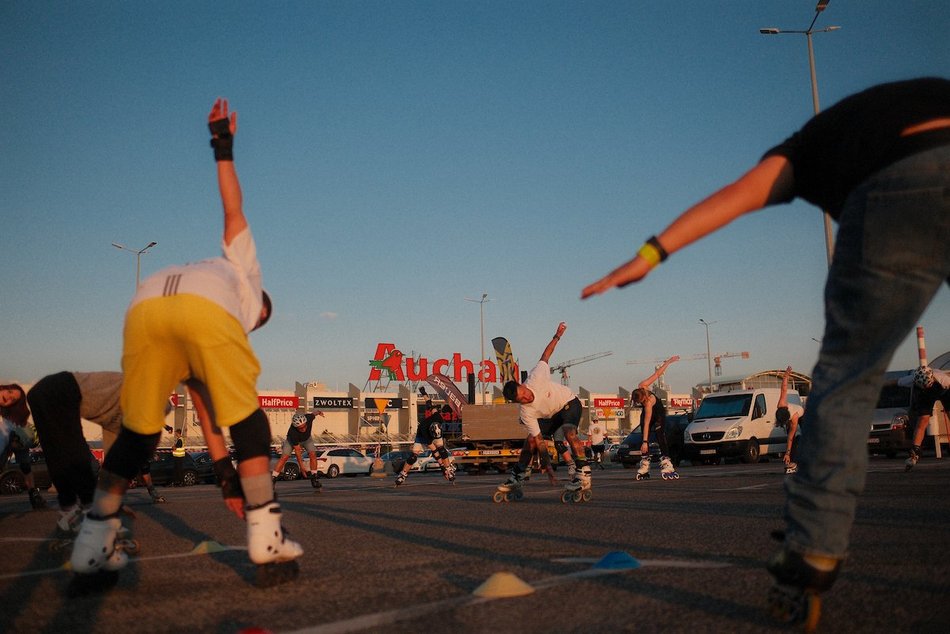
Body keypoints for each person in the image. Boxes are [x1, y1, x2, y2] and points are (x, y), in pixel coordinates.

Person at [582, 78, 950, 622]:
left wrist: (649, 254)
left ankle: (814, 550)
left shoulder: (800, 150)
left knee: (848, 380)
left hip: (896, 186)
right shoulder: (915, 95)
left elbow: (733, 199)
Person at [70, 98, 302, 582]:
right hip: (204, 310)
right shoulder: (247, 279)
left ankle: (92, 543)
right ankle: (267, 539)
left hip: (146, 304)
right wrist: (226, 150)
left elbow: (202, 402)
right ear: (262, 309)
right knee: (251, 420)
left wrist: (223, 474)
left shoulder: (210, 272)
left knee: (137, 433)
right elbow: (233, 211)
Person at [497, 322, 591, 501]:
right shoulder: (525, 411)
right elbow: (540, 442)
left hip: (568, 402)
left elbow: (546, 354)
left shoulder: (536, 377)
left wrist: (557, 335)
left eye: (523, 393)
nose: (525, 398)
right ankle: (517, 476)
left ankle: (584, 473)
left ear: (521, 385)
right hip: (551, 415)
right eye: (520, 400)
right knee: (530, 440)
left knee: (568, 431)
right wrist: (548, 468)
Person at [630, 356, 680, 481]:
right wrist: (668, 362)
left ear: (643, 398)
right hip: (647, 414)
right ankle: (645, 462)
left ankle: (666, 461)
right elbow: (657, 373)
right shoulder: (641, 386)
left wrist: (646, 443)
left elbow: (648, 423)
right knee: (643, 435)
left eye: (639, 402)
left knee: (659, 434)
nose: (638, 404)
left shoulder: (648, 402)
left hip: (658, 414)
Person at [394, 388, 456, 486]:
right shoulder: (423, 428)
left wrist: (424, 394)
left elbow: (431, 406)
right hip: (422, 436)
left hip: (434, 434)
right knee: (413, 457)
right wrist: (441, 466)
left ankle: (449, 468)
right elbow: (434, 451)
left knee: (442, 450)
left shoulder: (438, 418)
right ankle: (403, 474)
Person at [1, 383, 47, 510]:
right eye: (9, 392)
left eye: (14, 398)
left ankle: (33, 494)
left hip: (16, 434)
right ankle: (34, 494)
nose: (9, 398)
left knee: (25, 465)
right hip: (8, 435)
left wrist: (19, 439)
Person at [899, 365, 950, 471]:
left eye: (928, 384)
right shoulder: (911, 379)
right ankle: (915, 450)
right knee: (923, 420)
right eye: (924, 385)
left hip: (944, 390)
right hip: (925, 395)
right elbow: (894, 382)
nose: (927, 386)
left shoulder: (943, 379)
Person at [271, 410, 325, 488]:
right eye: (300, 428)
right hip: (292, 441)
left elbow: (314, 413)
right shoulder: (293, 432)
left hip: (306, 439)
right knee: (284, 457)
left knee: (313, 454)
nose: (303, 429)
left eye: (304, 426)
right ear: (296, 427)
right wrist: (302, 467)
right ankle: (273, 479)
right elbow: (298, 451)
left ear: (306, 422)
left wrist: (319, 412)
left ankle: (314, 478)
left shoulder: (309, 418)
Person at [777, 366, 805, 475]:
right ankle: (793, 459)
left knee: (797, 437)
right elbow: (784, 388)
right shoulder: (781, 404)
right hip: (787, 416)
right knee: (791, 437)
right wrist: (786, 376)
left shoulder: (794, 418)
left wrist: (788, 453)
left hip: (802, 416)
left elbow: (790, 438)